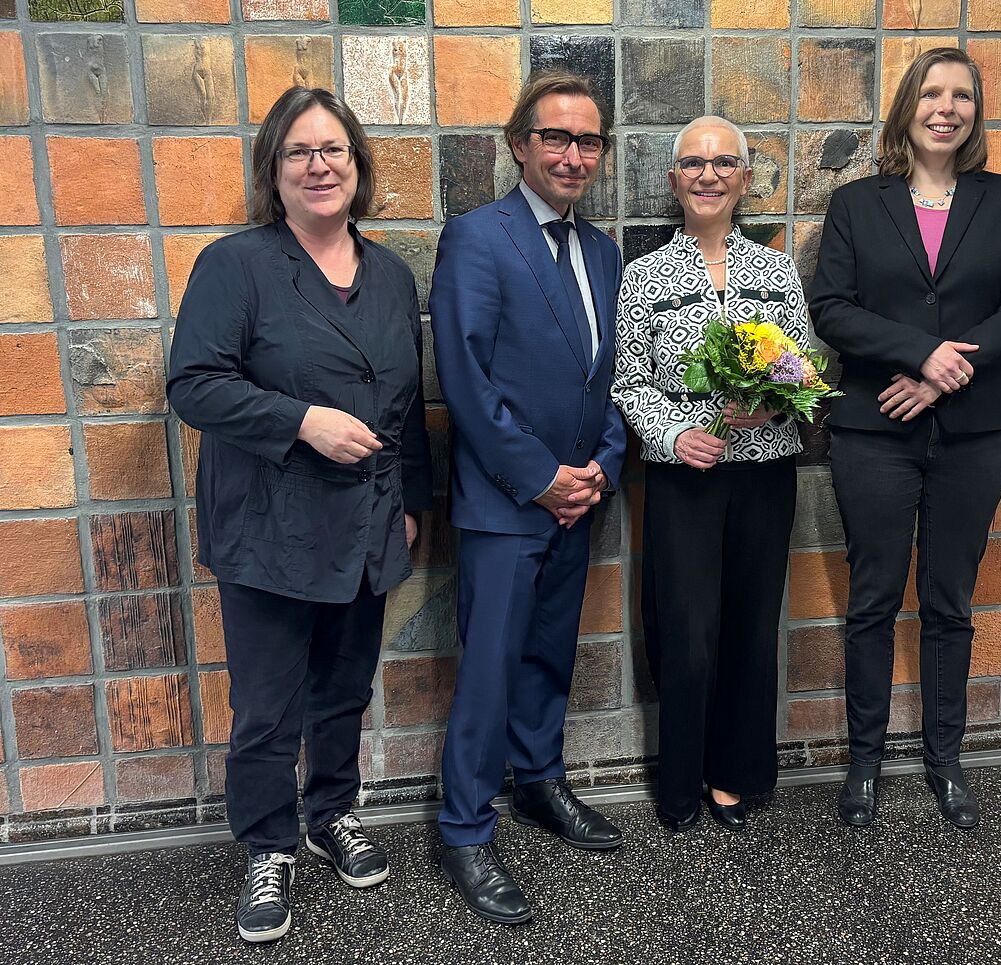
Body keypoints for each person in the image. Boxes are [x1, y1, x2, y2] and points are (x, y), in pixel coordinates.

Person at [167, 86, 432, 942]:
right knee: (268, 704)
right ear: (272, 172)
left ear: (357, 166)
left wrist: (413, 503)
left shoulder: (391, 274)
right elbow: (194, 385)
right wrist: (300, 420)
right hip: (270, 527)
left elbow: (407, 406)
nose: (320, 167)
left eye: (335, 151)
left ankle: (330, 813)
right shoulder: (236, 264)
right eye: (299, 153)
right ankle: (268, 845)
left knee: (343, 689)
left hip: (367, 524)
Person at [808, 48, 1001, 830]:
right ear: (907, 106)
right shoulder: (856, 204)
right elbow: (832, 308)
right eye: (932, 93)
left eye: (962, 96)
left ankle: (945, 758)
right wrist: (919, 353)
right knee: (874, 599)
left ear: (976, 112)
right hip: (873, 429)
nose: (946, 108)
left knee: (950, 600)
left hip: (974, 432)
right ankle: (866, 760)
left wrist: (946, 372)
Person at [429, 71, 626, 924]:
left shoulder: (605, 252)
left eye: (588, 142)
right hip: (509, 501)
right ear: (520, 144)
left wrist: (599, 470)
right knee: (488, 670)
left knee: (549, 657)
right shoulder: (477, 238)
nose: (573, 155)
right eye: (557, 138)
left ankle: (540, 781)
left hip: (578, 498)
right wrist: (541, 477)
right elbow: (465, 380)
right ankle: (466, 828)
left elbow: (615, 376)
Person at [612, 116, 809, 833]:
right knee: (686, 631)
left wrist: (770, 403)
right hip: (684, 476)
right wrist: (673, 433)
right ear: (673, 181)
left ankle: (734, 773)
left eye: (724, 162)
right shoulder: (643, 276)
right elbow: (629, 382)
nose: (708, 174)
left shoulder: (777, 271)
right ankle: (679, 778)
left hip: (763, 476)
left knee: (751, 627)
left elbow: (805, 369)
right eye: (692, 163)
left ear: (746, 181)